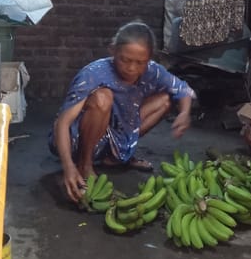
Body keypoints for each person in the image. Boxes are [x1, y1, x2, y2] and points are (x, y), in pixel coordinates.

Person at [50, 21, 195, 203]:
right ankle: (84, 165)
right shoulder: (93, 73)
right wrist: (68, 166)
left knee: (165, 99)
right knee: (103, 98)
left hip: (116, 132)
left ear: (150, 58)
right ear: (113, 51)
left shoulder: (152, 71)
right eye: (125, 60)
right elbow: (63, 123)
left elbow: (182, 89)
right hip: (76, 140)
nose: (132, 68)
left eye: (140, 62)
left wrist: (184, 113)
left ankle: (116, 157)